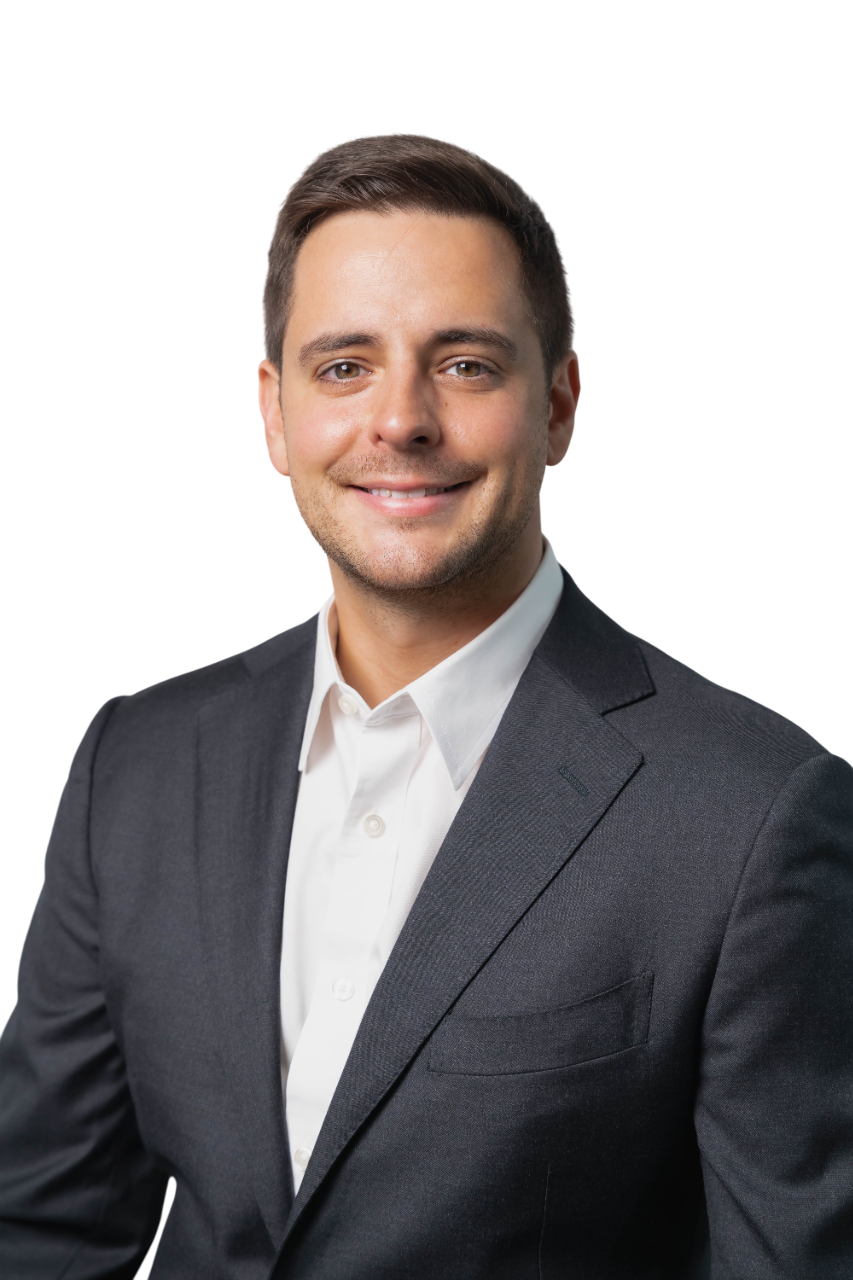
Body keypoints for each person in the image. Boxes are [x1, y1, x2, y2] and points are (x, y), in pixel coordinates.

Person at [1, 133, 852, 1279]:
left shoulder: (751, 816)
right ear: (275, 414)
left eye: (464, 364)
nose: (398, 420)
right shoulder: (139, 766)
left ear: (557, 405)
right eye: (344, 366)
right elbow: (39, 1231)